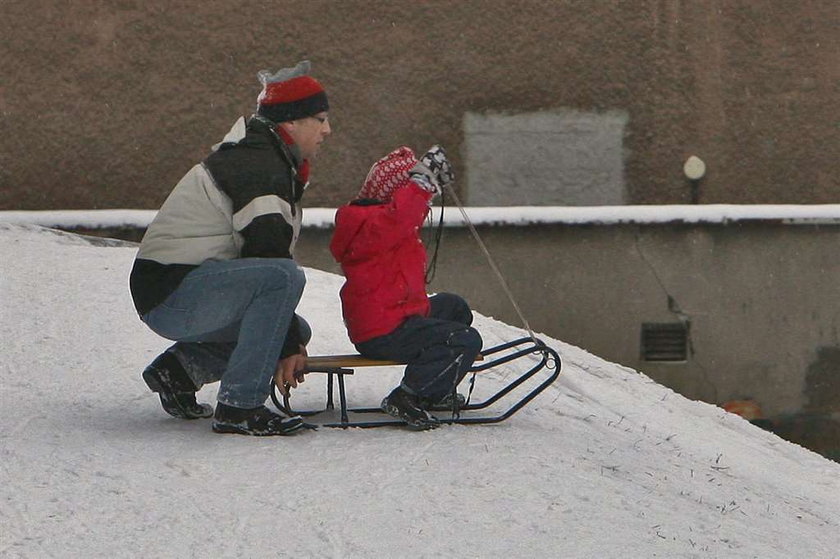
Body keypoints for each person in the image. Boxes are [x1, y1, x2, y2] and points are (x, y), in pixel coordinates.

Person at [129, 60, 331, 436]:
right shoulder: (259, 165)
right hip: (174, 291)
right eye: (319, 119)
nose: (327, 129)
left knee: (292, 327)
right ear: (290, 122)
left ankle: (178, 372)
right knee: (282, 279)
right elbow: (269, 255)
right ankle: (240, 407)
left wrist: (288, 341)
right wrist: (285, 348)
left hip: (172, 290)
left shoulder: (263, 156)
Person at [329, 146, 483, 430]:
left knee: (454, 307)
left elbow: (403, 217)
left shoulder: (385, 224)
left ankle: (435, 389)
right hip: (382, 332)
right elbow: (400, 217)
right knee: (464, 340)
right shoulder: (370, 225)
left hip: (400, 316)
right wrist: (421, 184)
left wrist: (424, 187)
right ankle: (409, 395)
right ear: (395, 193)